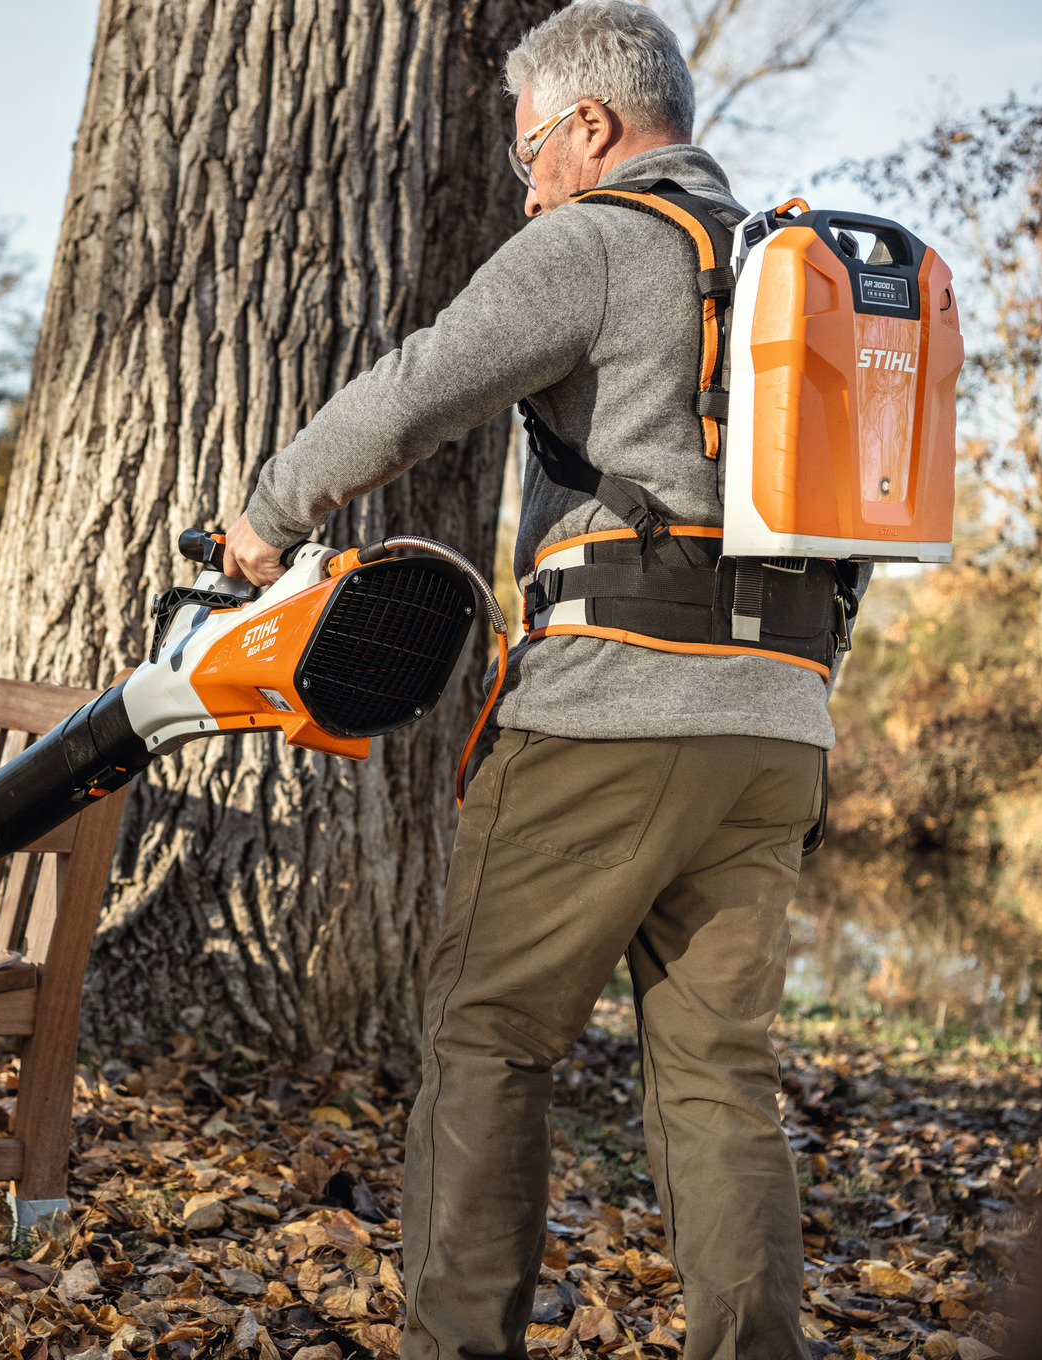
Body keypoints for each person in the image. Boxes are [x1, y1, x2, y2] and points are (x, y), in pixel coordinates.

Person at [220, 4, 829, 1359]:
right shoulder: (793, 268)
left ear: (595, 129)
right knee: (720, 1081)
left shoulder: (600, 244)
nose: (529, 176)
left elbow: (417, 388)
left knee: (489, 1044)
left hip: (614, 713)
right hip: (781, 728)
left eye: (532, 147)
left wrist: (266, 516)